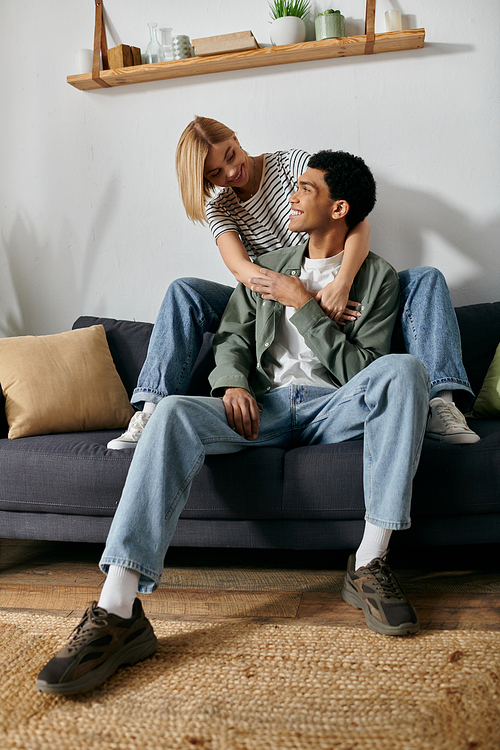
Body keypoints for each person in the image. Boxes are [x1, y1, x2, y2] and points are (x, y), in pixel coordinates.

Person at [38, 150, 430, 696]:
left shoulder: (379, 277)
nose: (292, 195)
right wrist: (232, 383)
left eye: (307, 189)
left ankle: (369, 562)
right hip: (264, 408)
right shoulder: (266, 267)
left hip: (334, 407)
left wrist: (303, 306)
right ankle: (118, 609)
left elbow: (364, 371)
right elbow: (232, 338)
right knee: (171, 412)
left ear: (340, 208)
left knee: (406, 370)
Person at [106, 116, 478, 452]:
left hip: (337, 278)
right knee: (183, 290)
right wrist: (300, 297)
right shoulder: (221, 208)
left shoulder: (291, 166)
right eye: (216, 174)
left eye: (231, 156)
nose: (231, 172)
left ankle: (441, 403)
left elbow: (356, 218)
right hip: (266, 297)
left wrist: (341, 282)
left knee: (426, 279)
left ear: (235, 136)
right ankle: (152, 409)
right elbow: (241, 269)